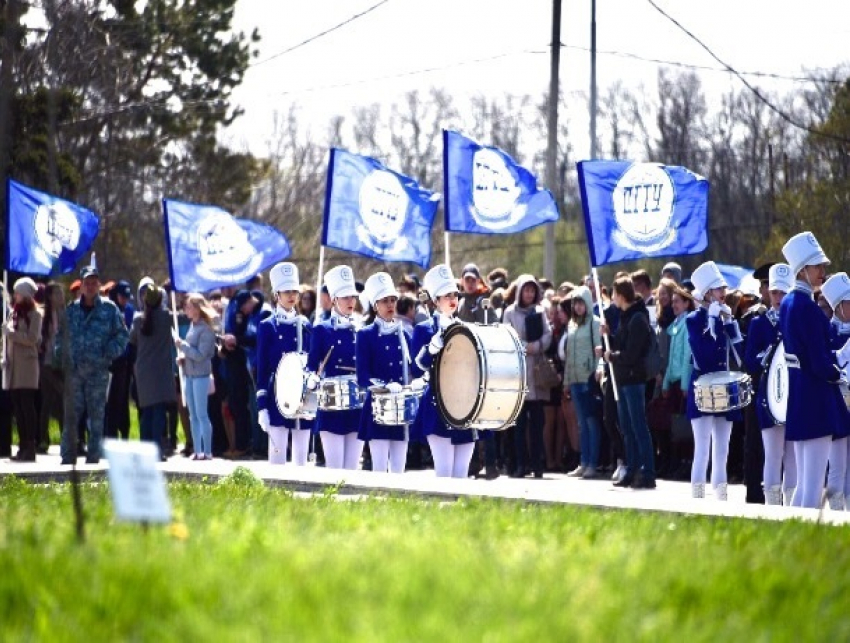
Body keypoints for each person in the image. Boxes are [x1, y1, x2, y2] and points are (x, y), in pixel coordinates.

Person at [780, 232, 847, 508]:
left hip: (799, 398)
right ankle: (803, 547)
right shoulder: (806, 307)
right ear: (803, 270)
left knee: (803, 485)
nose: (823, 271)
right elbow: (818, 363)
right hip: (817, 400)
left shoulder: (787, 303)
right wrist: (838, 372)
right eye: (817, 266)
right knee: (812, 486)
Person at [411, 264, 478, 478]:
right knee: (444, 474)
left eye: (454, 294)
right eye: (445, 295)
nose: (452, 299)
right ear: (435, 300)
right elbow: (416, 367)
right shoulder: (424, 329)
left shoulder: (466, 328)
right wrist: (432, 347)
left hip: (464, 403)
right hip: (437, 404)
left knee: (461, 475)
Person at [58, 265, 129, 464]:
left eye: (94, 283)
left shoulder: (109, 309)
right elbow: (59, 337)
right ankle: (68, 456)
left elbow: (123, 335)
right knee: (71, 416)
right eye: (87, 283)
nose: (90, 287)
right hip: (75, 372)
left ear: (98, 285)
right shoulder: (71, 310)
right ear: (81, 286)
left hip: (98, 372)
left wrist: (109, 353)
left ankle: (93, 457)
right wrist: (62, 356)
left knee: (97, 418)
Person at [685, 261, 744, 500]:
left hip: (724, 387)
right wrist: (710, 321)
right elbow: (703, 354)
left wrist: (731, 325)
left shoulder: (723, 318)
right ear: (708, 292)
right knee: (702, 450)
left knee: (723, 450)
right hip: (702, 386)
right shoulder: (693, 319)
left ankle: (721, 498)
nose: (724, 293)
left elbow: (741, 357)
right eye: (719, 289)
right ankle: (697, 499)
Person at [743, 263, 797, 505]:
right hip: (769, 398)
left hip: (795, 398)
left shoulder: (796, 320)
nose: (778, 298)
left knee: (793, 458)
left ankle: (794, 510)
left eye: (783, 293)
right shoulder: (758, 323)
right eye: (774, 292)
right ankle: (773, 510)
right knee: (773, 457)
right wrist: (763, 357)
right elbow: (749, 362)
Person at [357, 272, 419, 474]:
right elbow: (362, 376)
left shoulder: (405, 333)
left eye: (393, 300)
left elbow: (415, 368)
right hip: (378, 408)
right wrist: (384, 386)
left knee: (400, 471)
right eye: (385, 301)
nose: (391, 305)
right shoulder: (366, 335)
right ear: (375, 306)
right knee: (379, 469)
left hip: (400, 408)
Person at [256, 263, 313, 465]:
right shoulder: (267, 325)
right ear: (276, 294)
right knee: (277, 459)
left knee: (301, 460)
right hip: (276, 394)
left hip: (302, 396)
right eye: (287, 291)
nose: (291, 296)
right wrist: (262, 406)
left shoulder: (305, 324)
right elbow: (262, 368)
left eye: (295, 292)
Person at [307, 265, 363, 470]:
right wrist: (312, 379)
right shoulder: (322, 329)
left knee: (352, 469)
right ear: (334, 300)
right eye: (345, 297)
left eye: (353, 297)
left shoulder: (361, 329)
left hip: (357, 405)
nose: (351, 302)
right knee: (335, 469)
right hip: (332, 405)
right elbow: (312, 365)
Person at [603, 276, 656, 489]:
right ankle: (632, 468)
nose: (613, 298)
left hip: (634, 379)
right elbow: (622, 345)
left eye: (615, 294)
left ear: (622, 295)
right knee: (626, 426)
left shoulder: (637, 319)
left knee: (638, 426)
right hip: (624, 380)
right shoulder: (626, 317)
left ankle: (648, 471)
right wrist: (609, 339)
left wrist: (612, 356)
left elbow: (632, 354)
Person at [503, 274, 552, 478]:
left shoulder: (540, 312)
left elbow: (548, 334)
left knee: (538, 425)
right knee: (519, 425)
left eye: (533, 290)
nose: (529, 294)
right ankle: (520, 464)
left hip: (537, 374)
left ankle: (538, 465)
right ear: (520, 291)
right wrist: (524, 347)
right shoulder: (510, 313)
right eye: (526, 290)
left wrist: (538, 346)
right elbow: (507, 336)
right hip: (518, 375)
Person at [129, 284, 176, 459]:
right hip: (161, 371)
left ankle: (144, 450)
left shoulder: (137, 320)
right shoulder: (166, 317)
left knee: (146, 412)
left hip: (143, 371)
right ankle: (156, 450)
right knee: (159, 412)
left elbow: (132, 340)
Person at [560, 286, 602, 479]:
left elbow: (598, 349)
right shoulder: (572, 325)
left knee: (592, 422)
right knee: (581, 424)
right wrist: (566, 381)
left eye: (580, 303)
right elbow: (569, 356)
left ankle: (593, 463)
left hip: (588, 379)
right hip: (575, 380)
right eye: (575, 303)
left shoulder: (595, 323)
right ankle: (583, 462)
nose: (577, 307)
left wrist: (596, 371)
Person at [3, 278, 43, 462]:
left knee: (27, 407)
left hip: (27, 367)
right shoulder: (14, 314)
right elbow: (9, 339)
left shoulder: (35, 315)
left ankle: (30, 444)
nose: (15, 296)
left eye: (18, 292)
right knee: (17, 407)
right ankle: (22, 445)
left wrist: (11, 334)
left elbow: (32, 338)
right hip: (14, 368)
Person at [175, 293, 218, 461]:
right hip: (190, 375)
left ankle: (207, 451)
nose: (186, 309)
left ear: (198, 309)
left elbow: (201, 355)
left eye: (189, 306)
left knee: (201, 414)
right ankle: (197, 449)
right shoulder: (193, 327)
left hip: (201, 376)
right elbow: (192, 354)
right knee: (192, 414)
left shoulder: (206, 329)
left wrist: (183, 347)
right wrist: (183, 360)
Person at [820, 272, 850, 510]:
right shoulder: (826, 331)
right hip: (838, 404)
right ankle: (837, 521)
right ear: (838, 306)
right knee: (837, 467)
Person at [37, 282, 65, 453]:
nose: (61, 297)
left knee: (63, 402)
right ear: (49, 296)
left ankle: (66, 438)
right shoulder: (42, 315)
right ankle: (43, 439)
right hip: (47, 365)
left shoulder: (65, 315)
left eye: (62, 294)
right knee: (46, 403)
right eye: (57, 294)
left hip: (62, 364)